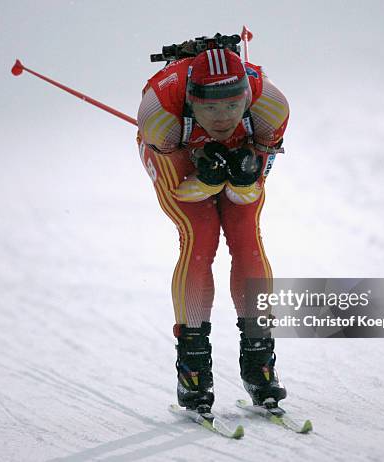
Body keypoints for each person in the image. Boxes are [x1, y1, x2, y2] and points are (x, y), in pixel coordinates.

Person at [137, 44, 289, 414]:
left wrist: (243, 175)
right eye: (210, 107)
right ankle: (192, 365)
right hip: (177, 151)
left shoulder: (271, 108)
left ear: (248, 96)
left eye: (233, 105)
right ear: (192, 100)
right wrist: (205, 177)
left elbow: (251, 189)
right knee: (200, 236)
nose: (223, 117)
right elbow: (180, 188)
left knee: (246, 234)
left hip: (239, 147)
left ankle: (259, 361)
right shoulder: (159, 114)